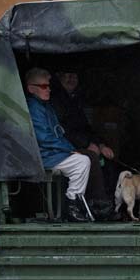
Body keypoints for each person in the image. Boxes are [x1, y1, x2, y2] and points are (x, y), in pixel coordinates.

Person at [25, 67, 90, 222]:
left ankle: (79, 203)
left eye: (48, 86)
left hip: (52, 153)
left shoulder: (46, 106)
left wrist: (70, 149)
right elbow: (44, 138)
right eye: (43, 86)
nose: (48, 89)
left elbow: (58, 133)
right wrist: (70, 150)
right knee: (82, 162)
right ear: (31, 88)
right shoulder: (34, 108)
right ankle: (72, 205)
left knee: (84, 158)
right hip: (43, 156)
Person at [51, 70, 117, 219]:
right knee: (90, 158)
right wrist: (87, 145)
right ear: (59, 78)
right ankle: (98, 204)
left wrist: (100, 144)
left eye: (74, 75)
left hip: (81, 144)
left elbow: (86, 128)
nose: (71, 79)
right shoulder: (56, 100)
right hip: (64, 147)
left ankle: (109, 203)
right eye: (66, 75)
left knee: (109, 160)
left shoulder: (75, 100)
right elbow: (63, 130)